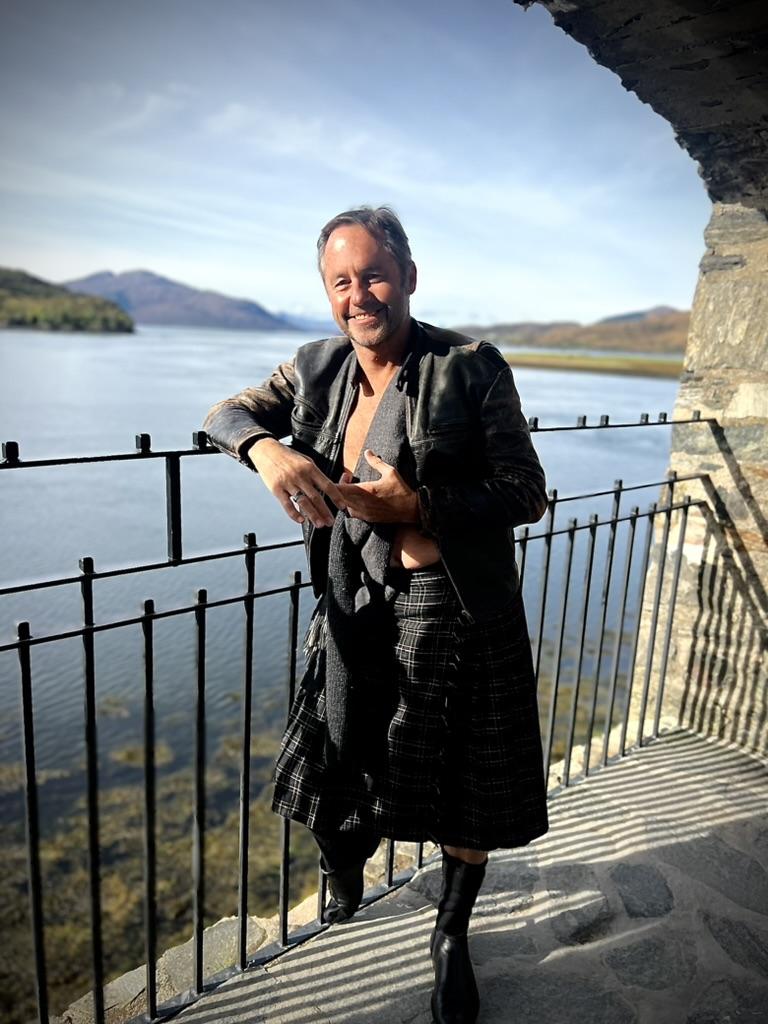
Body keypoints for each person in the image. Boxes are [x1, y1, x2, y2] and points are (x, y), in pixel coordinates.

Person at [204, 206, 549, 1024]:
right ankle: (344, 863)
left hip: (451, 606)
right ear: (328, 291)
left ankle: (450, 937)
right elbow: (226, 413)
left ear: (410, 276)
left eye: (375, 275)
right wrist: (267, 449)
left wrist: (417, 502)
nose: (360, 295)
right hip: (349, 595)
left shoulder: (469, 366)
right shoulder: (313, 366)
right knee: (332, 752)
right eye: (342, 281)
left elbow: (526, 491)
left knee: (466, 786)